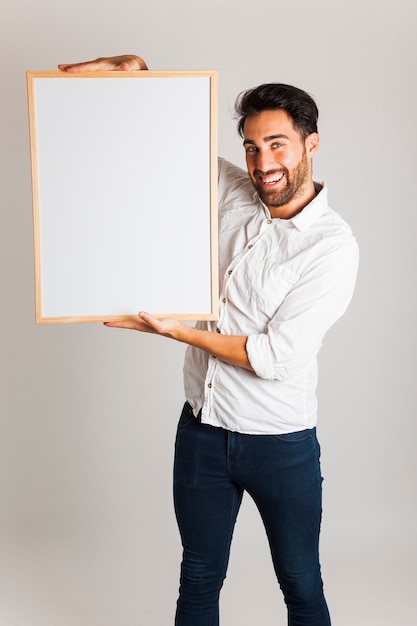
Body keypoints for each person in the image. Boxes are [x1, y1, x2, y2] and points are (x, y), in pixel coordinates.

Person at [60, 55, 359, 626]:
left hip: (280, 445)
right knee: (197, 577)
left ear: (310, 144)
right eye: (250, 146)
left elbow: (275, 357)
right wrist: (140, 74)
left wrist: (176, 331)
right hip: (201, 432)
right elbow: (171, 142)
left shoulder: (332, 247)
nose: (262, 162)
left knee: (300, 582)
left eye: (277, 144)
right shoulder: (235, 194)